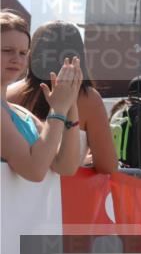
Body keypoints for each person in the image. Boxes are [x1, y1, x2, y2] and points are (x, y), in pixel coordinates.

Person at [7, 20, 117, 174]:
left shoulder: (8, 94)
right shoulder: (88, 99)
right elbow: (108, 166)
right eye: (7, 50)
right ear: (78, 56)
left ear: (33, 54)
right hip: (67, 195)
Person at [1, 10, 84, 180]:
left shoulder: (20, 113)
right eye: (7, 50)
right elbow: (34, 170)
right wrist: (58, 109)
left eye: (23, 53)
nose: (16, 58)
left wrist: (70, 102)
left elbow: (65, 166)